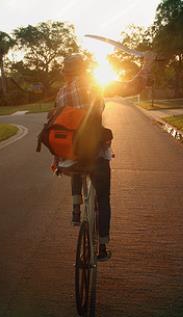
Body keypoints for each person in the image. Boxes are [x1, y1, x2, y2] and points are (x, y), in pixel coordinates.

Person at [52, 52, 155, 261]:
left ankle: (75, 209)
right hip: (96, 152)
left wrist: (56, 158)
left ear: (66, 72)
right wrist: (147, 64)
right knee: (103, 197)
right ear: (84, 68)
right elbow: (132, 87)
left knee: (76, 156)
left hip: (69, 157)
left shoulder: (60, 93)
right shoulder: (94, 85)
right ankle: (102, 247)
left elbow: (57, 126)